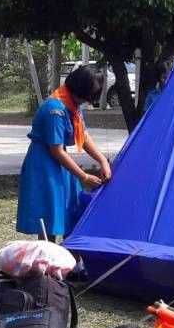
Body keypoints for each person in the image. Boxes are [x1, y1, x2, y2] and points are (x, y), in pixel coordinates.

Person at [16, 63, 112, 240]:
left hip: (61, 165)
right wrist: (84, 176)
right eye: (88, 95)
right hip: (45, 166)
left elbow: (82, 135)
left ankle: (68, 255)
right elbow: (56, 150)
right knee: (50, 214)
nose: (87, 101)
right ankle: (49, 255)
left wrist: (102, 160)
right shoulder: (55, 110)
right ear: (79, 88)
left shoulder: (72, 105)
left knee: (69, 211)